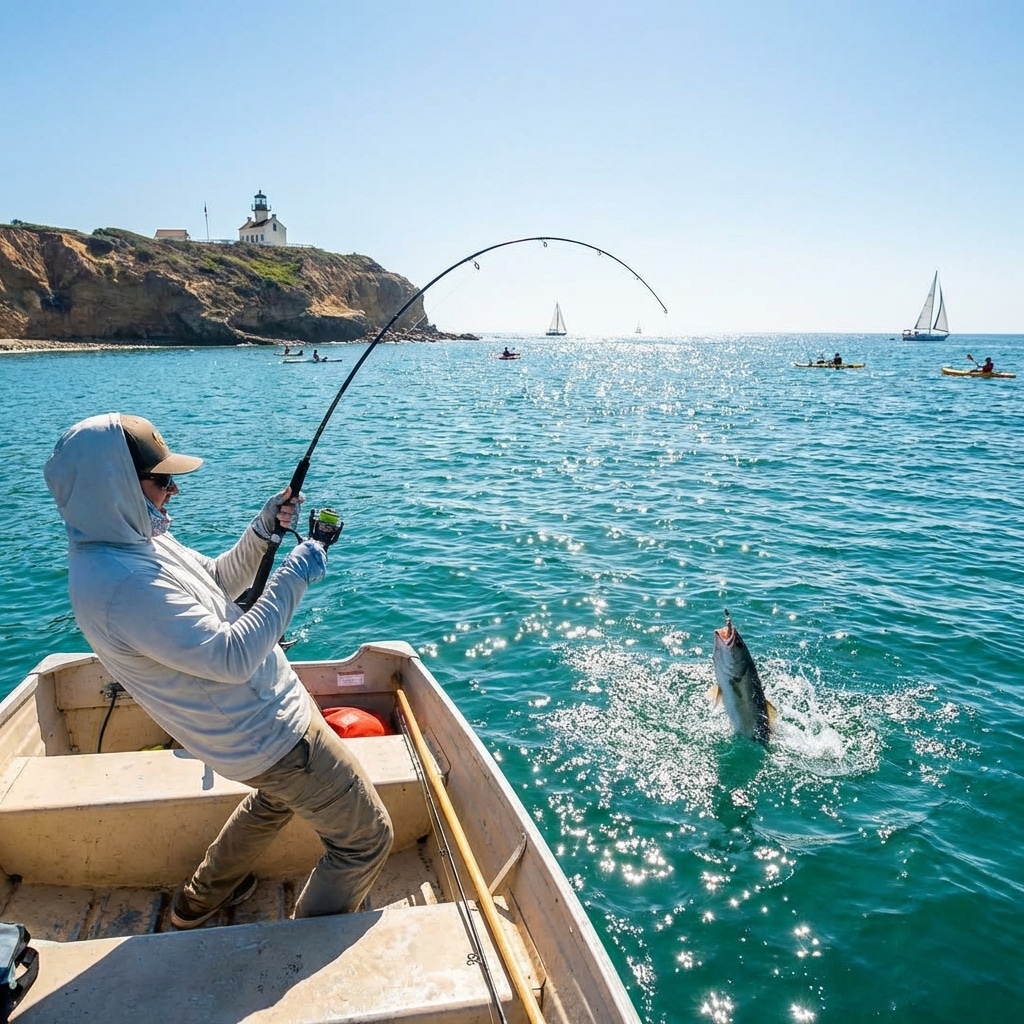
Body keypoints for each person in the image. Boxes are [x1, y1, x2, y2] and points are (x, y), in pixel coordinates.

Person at [43, 413, 393, 928]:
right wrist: (296, 570)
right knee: (366, 839)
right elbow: (229, 658)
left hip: (253, 732)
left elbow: (216, 583)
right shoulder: (121, 584)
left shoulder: (134, 540)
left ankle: (196, 903)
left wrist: (261, 530)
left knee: (275, 801)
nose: (174, 489)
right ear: (114, 483)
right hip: (271, 736)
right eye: (161, 479)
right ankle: (305, 947)